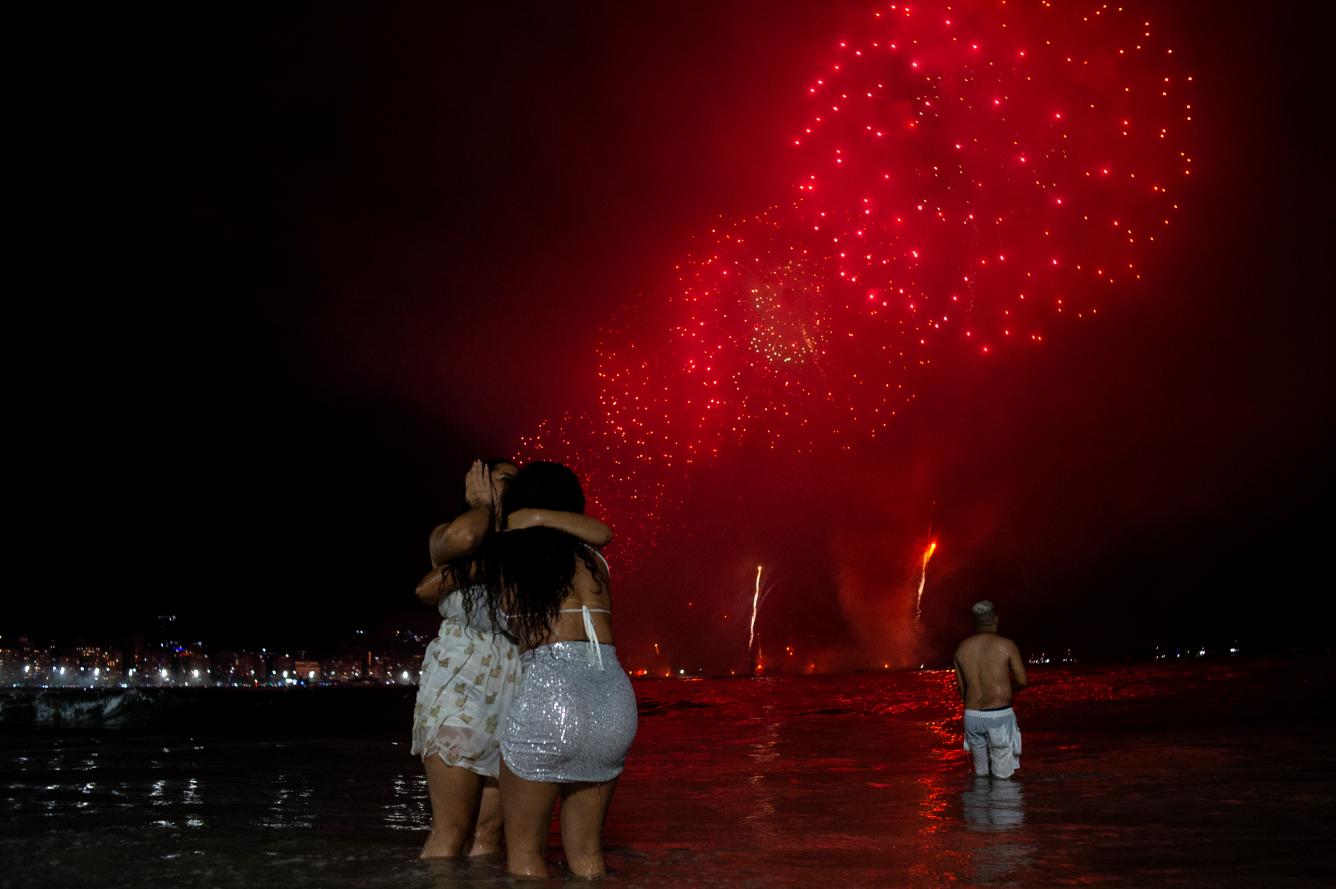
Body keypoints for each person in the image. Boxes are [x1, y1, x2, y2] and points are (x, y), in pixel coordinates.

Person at [412, 458, 611, 859]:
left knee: (491, 830)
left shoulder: (530, 544)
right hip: (461, 679)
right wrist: (483, 508)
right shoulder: (451, 535)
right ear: (478, 482)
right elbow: (432, 581)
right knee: (452, 830)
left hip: (521, 681)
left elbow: (599, 532)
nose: (515, 486)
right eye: (503, 479)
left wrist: (527, 520)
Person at [484, 461, 636, 879]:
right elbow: (600, 530)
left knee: (525, 856)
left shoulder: (510, 555)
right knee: (588, 856)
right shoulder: (593, 558)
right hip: (614, 697)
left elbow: (468, 542)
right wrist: (539, 515)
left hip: (552, 691)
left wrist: (497, 508)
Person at [953, 600, 1028, 779]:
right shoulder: (1006, 645)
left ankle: (979, 805)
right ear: (995, 619)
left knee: (980, 773)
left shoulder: (961, 649)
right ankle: (1000, 804)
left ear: (975, 622)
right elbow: (1022, 681)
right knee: (1002, 777)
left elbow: (962, 689)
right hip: (999, 716)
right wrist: (1005, 689)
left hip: (972, 716)